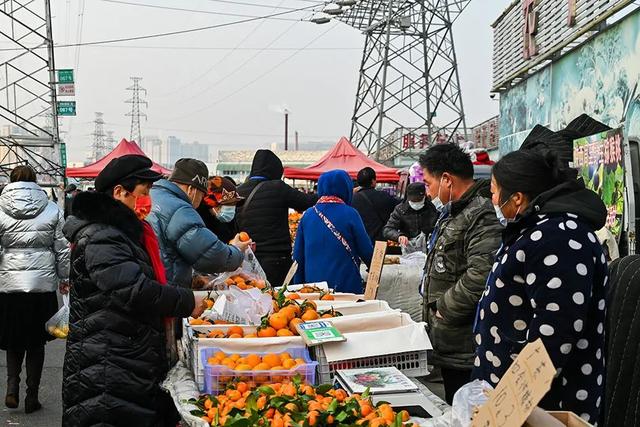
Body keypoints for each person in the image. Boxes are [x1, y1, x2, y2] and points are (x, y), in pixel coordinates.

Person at [62, 155, 206, 426]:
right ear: (119, 192)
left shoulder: (124, 232)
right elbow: (136, 290)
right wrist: (190, 301)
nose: (149, 200)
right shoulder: (102, 236)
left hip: (123, 354)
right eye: (144, 192)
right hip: (107, 363)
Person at [472, 150, 607, 424]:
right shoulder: (537, 229)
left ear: (518, 198)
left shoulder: (559, 236)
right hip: (514, 395)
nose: (493, 200)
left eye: (495, 192)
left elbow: (555, 333)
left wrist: (507, 409)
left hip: (544, 405)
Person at [420, 144, 502, 404]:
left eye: (428, 183)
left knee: (465, 406)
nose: (427, 191)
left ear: (446, 179)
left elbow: (481, 274)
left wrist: (444, 307)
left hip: (464, 341)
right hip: (447, 339)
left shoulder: (480, 215)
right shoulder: (454, 212)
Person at [0, 166, 69, 413]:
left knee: (13, 339)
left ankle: (11, 389)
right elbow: (62, 248)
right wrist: (65, 277)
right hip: (42, 284)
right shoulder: (52, 209)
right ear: (35, 182)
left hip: (9, 285)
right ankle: (32, 396)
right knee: (36, 341)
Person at [148, 159, 248, 289]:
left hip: (153, 282)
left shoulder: (153, 195)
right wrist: (236, 250)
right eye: (201, 195)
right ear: (191, 190)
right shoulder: (180, 210)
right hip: (168, 289)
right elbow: (211, 255)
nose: (201, 200)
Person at [236, 149, 317, 286]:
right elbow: (306, 202)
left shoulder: (238, 191)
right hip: (276, 261)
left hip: (248, 263)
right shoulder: (277, 187)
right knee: (280, 302)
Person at [293, 170, 373, 293]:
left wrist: (299, 286)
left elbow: (298, 257)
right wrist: (373, 268)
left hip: (314, 288)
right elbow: (366, 251)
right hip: (346, 285)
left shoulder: (308, 215)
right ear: (346, 188)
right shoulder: (350, 213)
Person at [352, 167, 400, 243]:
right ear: (373, 181)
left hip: (360, 243)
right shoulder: (384, 196)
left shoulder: (352, 199)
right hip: (380, 244)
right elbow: (399, 208)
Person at [383, 182, 438, 246]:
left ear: (424, 196)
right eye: (413, 201)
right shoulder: (400, 209)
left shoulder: (432, 208)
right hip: (408, 247)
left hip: (428, 247)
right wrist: (399, 236)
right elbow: (387, 230)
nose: (416, 203)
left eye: (419, 200)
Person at [196, 176, 244, 244]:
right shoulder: (198, 224)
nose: (231, 209)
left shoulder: (231, 222)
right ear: (212, 204)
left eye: (234, 204)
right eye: (228, 205)